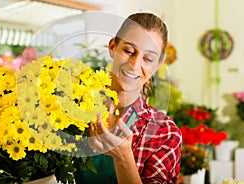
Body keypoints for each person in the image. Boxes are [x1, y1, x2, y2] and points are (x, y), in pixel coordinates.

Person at [74, 12, 182, 184]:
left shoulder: (164, 133)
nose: (134, 64)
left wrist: (123, 157)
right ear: (112, 47)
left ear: (158, 65)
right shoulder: (72, 105)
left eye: (148, 58)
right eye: (129, 51)